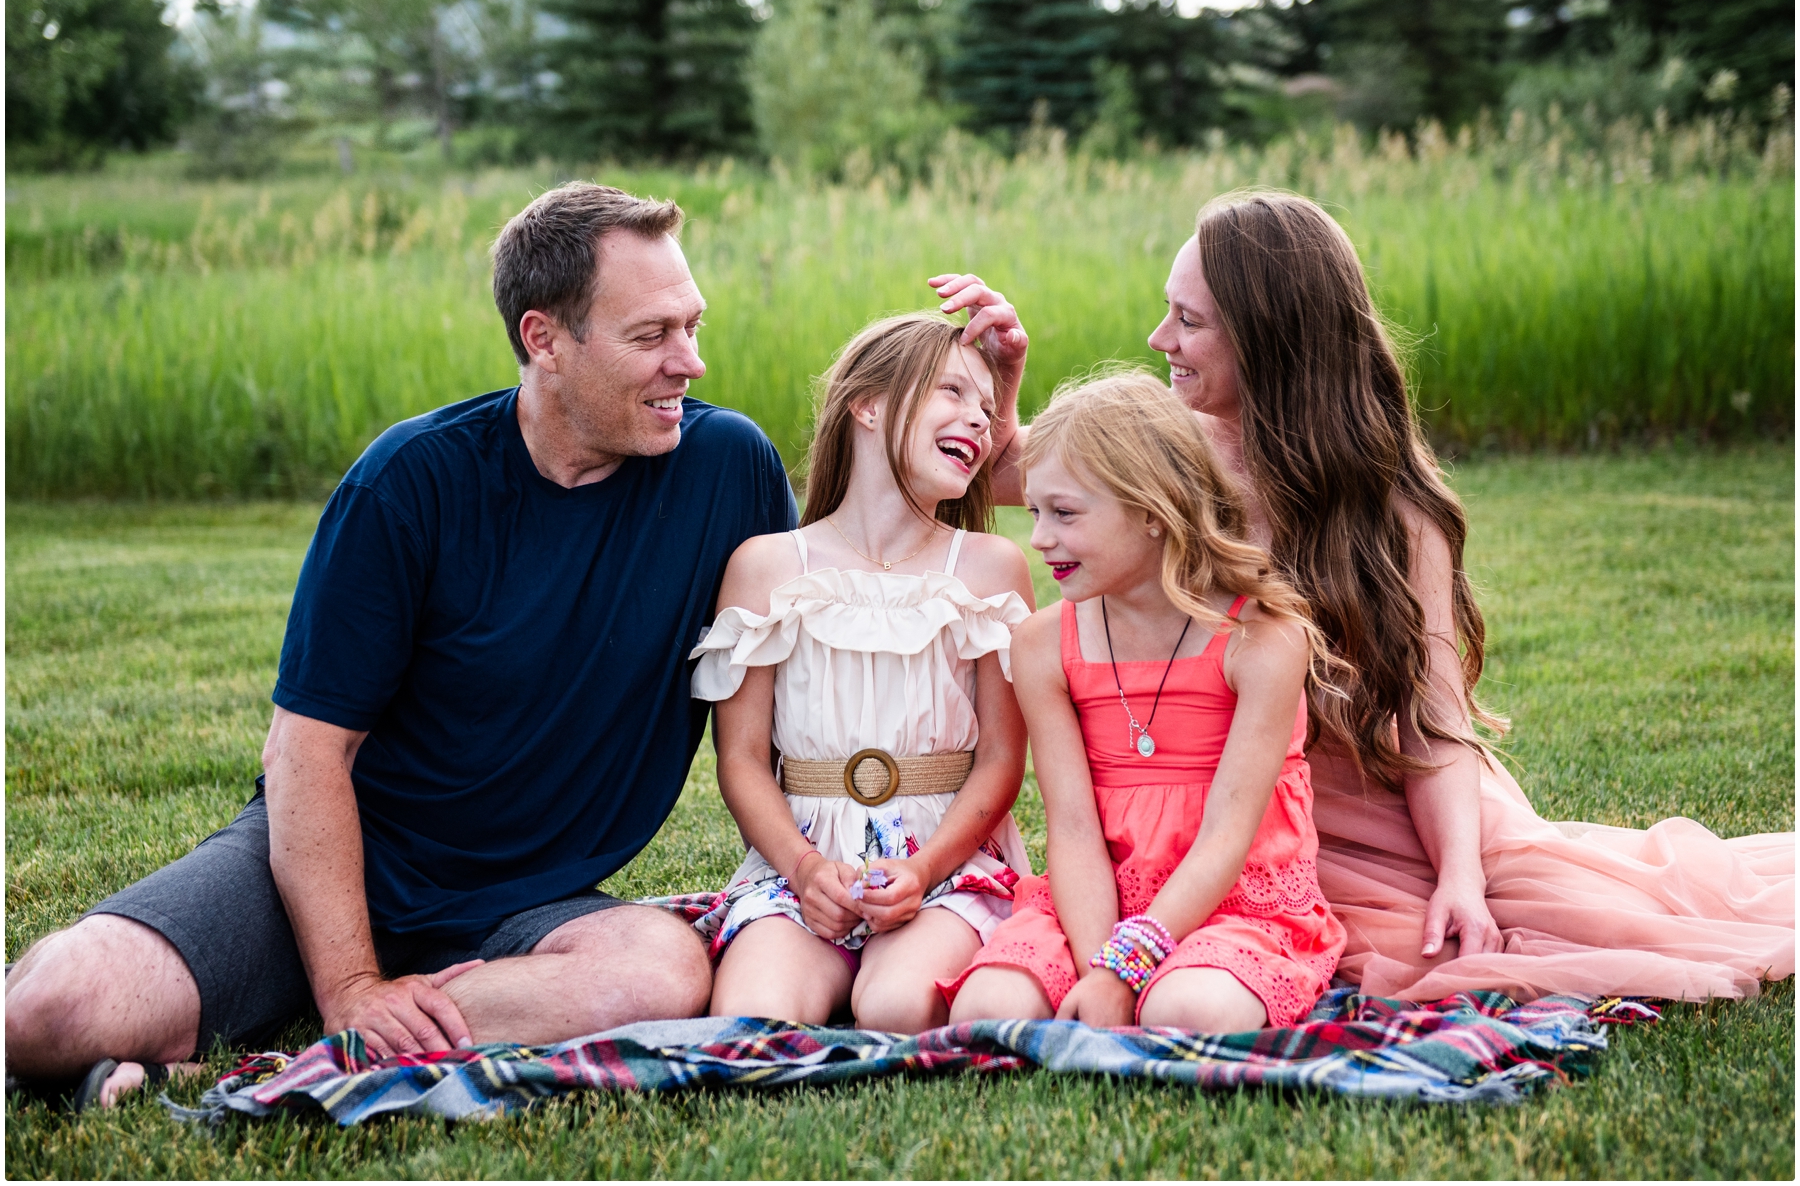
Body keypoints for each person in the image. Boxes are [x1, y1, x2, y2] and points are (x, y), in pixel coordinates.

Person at [4, 182, 798, 1108]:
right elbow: (306, 750)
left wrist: (985, 393)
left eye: (692, 325)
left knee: (660, 970)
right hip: (332, 864)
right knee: (48, 1013)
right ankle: (324, 1015)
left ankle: (279, 1044)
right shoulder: (408, 484)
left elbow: (873, 564)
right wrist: (348, 982)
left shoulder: (726, 468)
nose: (690, 362)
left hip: (523, 909)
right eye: (651, 335)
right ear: (544, 339)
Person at [938, 189, 1793, 1004]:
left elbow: (1434, 716)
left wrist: (1459, 871)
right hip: (1216, 800)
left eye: (1189, 320)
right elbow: (1027, 480)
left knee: (1507, 921)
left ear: (1268, 340)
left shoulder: (1392, 507)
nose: (1158, 336)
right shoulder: (1175, 456)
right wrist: (1006, 375)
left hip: (1374, 802)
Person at [943, 374, 1345, 1030]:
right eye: (1035, 512)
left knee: (1183, 1008)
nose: (1040, 538)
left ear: (1152, 511)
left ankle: (1167, 980)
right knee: (988, 1010)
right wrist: (1100, 959)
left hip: (1235, 898)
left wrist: (1124, 968)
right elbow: (1072, 828)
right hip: (1096, 896)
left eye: (1065, 513)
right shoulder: (1043, 645)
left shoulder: (1262, 641)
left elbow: (1227, 836)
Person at [691, 312, 1036, 1033]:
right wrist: (807, 871)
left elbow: (1003, 758)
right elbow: (745, 760)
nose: (978, 420)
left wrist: (924, 869)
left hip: (946, 858)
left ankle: (901, 954)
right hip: (804, 862)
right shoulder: (767, 566)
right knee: (753, 1014)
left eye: (986, 406)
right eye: (952, 392)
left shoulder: (986, 567)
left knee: (896, 1005)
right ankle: (814, 937)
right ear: (868, 403)